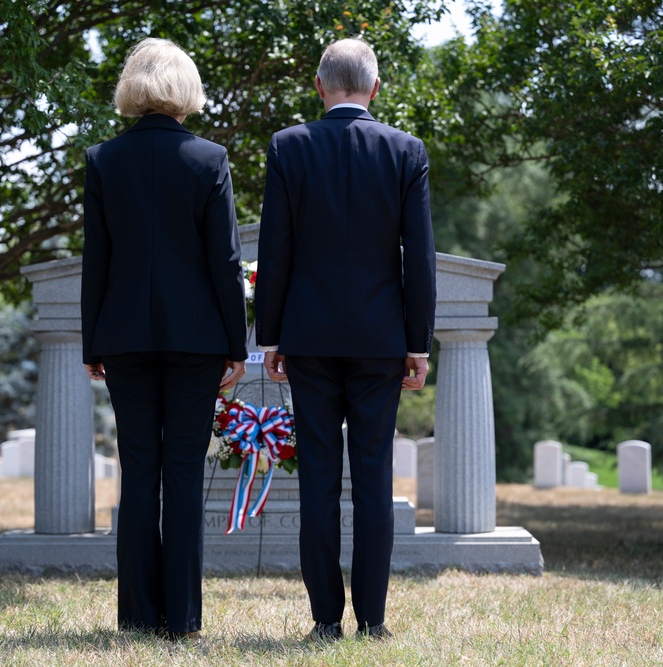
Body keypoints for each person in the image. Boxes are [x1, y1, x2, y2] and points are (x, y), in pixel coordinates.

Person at [254, 38, 436, 642]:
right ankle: (375, 620)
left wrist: (271, 335)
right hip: (381, 340)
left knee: (319, 483)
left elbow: (274, 251)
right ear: (375, 89)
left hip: (306, 337)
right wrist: (418, 342)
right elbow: (420, 258)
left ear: (319, 85)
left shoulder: (289, 147)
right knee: (375, 479)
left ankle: (326, 620)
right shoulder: (405, 151)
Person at [81, 38, 248, 640]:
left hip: (123, 337)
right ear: (185, 89)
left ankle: (134, 617)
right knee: (181, 473)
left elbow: (95, 261)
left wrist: (91, 344)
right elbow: (226, 263)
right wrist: (237, 344)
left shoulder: (103, 159)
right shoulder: (210, 159)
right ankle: (181, 619)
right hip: (197, 341)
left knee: (139, 470)